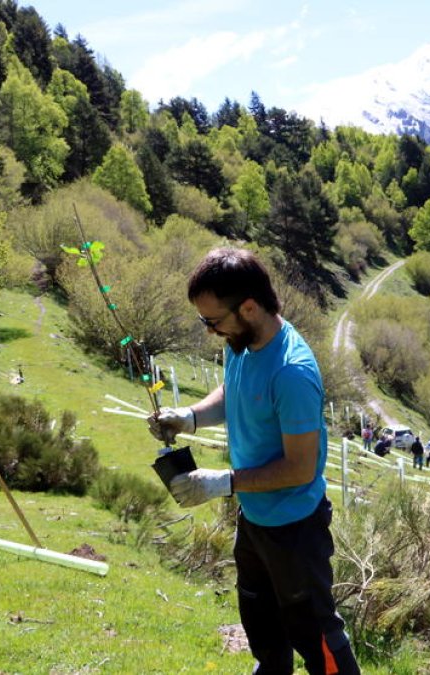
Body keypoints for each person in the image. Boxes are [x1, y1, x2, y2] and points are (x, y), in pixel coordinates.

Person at [148, 247, 360, 675]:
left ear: (248, 307)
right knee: (263, 629)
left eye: (214, 321)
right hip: (255, 520)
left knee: (315, 635)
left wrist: (221, 482)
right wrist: (189, 417)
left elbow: (300, 468)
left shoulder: (292, 372)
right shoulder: (240, 342)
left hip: (296, 531)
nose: (210, 331)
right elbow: (233, 391)